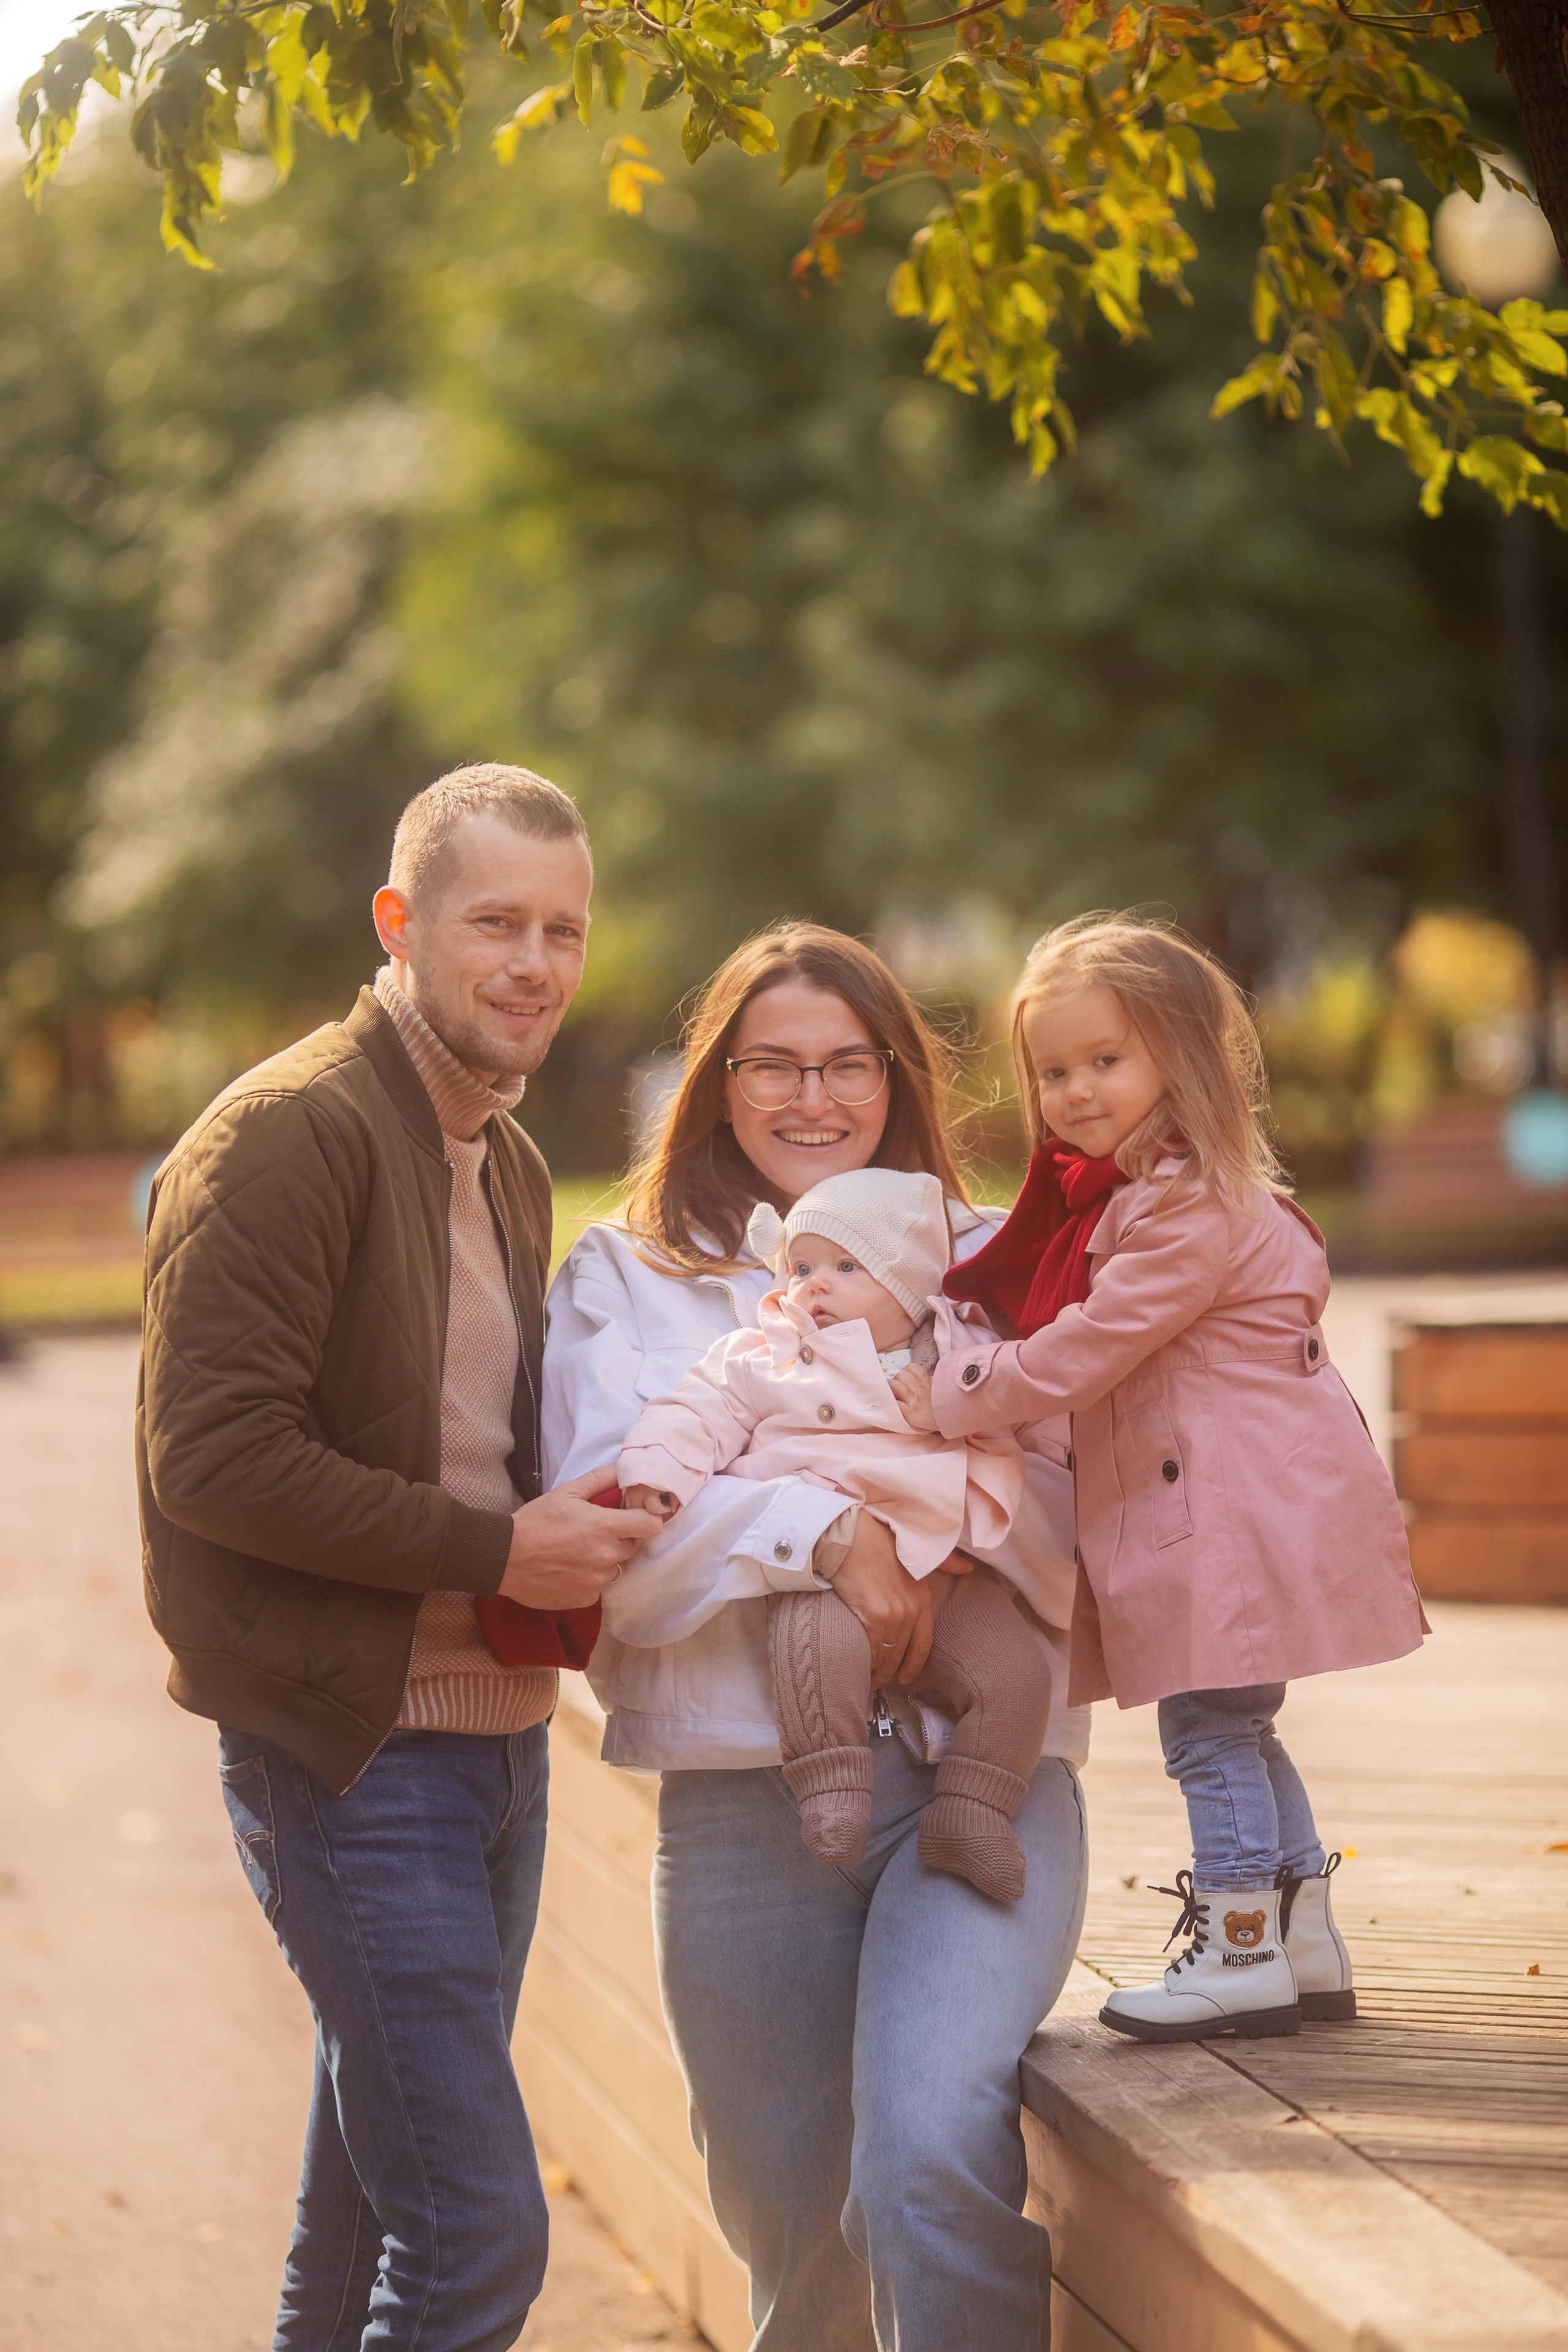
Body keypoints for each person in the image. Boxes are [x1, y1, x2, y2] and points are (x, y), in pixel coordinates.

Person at [137, 764, 661, 2352]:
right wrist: (502, 1546)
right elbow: (214, 1461)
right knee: (476, 2235)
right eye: (495, 921)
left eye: (561, 929)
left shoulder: (499, 1156)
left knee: (369, 2215)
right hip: (352, 1754)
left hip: (496, 1751)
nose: (535, 963)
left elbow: (469, 1432)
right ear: (401, 924)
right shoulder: (291, 1132)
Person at [543, 922, 1090, 2351]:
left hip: (984, 1780)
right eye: (772, 1062)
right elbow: (626, 1565)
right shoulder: (628, 1277)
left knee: (921, 2155)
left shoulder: (990, 1266)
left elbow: (1067, 1537)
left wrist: (898, 1502)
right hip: (740, 1807)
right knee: (793, 2232)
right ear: (716, 1082)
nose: (812, 1095)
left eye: (848, 1061)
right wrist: (823, 1530)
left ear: (896, 1077)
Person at [916, 912, 1428, 2044]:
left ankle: (1239, 1945)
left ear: (1181, 1061)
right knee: (1241, 1725)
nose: (1077, 1090)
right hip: (1249, 1500)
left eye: (1108, 1059)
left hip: (1227, 1515)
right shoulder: (1165, 1193)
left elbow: (1090, 1345)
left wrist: (956, 1388)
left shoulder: (1183, 1206)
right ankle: (1303, 1938)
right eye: (1054, 1071)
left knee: (1207, 1733)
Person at [617, 1166, 1052, 1902]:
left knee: (1016, 1677)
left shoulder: (955, 1361)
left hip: (940, 1562)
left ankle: (973, 1813)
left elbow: (1023, 1423)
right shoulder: (766, 1355)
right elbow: (696, 1409)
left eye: (847, 1267)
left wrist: (949, 1411)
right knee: (815, 1649)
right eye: (802, 1267)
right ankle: (832, 1789)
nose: (815, 1285)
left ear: (910, 1286)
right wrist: (658, 1470)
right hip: (819, 1557)